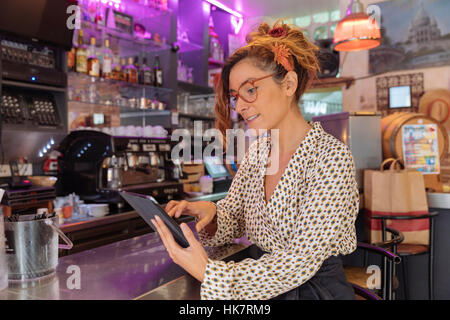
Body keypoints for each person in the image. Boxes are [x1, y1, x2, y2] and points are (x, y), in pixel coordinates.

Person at [151, 20, 359, 300]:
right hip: (263, 287)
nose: (241, 106)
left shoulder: (330, 157)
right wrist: (211, 215)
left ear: (289, 84)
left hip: (314, 291)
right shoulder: (258, 153)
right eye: (235, 96)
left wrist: (209, 273)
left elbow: (300, 261)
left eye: (250, 90)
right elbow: (234, 217)